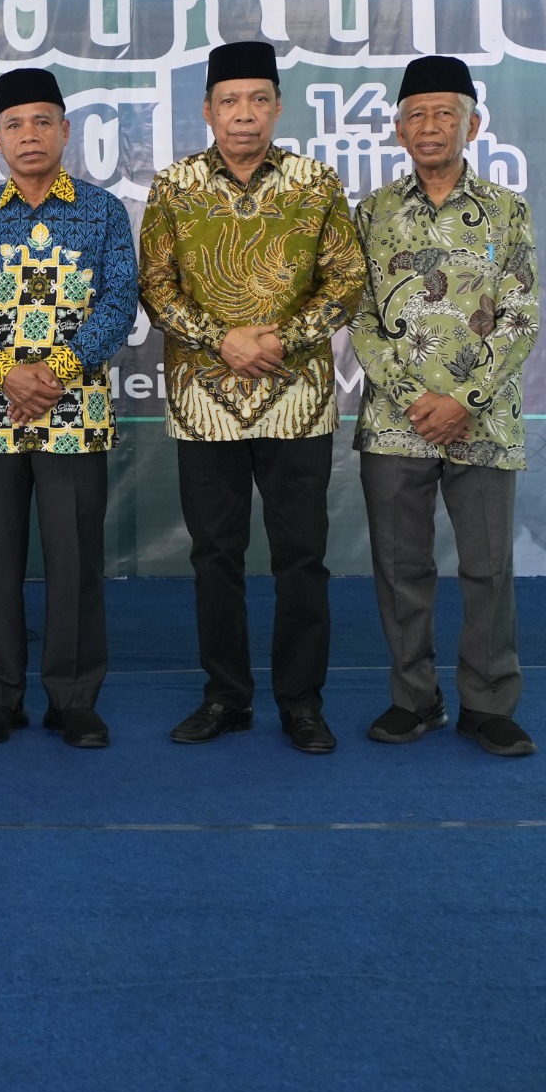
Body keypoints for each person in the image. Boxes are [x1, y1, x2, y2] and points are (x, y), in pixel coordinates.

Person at [139, 39, 363, 753]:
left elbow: (347, 281)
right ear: (207, 110)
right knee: (216, 556)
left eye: (258, 100)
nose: (245, 116)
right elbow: (156, 285)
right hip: (205, 401)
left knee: (302, 557)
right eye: (230, 102)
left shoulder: (315, 183)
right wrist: (221, 339)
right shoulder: (174, 187)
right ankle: (226, 697)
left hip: (297, 398)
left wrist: (284, 338)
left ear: (277, 108)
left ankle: (301, 702)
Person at [352, 55, 541, 758]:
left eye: (446, 113)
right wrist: (414, 399)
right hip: (394, 425)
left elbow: (521, 314)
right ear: (399, 129)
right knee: (403, 570)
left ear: (474, 124)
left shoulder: (506, 210)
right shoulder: (371, 213)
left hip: (485, 423)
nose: (431, 127)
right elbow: (363, 318)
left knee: (488, 568)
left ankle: (489, 704)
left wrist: (462, 398)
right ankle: (414, 699)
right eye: (418, 115)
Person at [0, 67, 138, 749]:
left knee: (74, 560)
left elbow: (118, 303)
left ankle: (74, 698)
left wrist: (51, 371)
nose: (28, 136)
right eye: (14, 125)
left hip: (75, 414)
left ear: (64, 130)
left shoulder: (103, 212)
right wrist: (6, 373)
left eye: (41, 122)